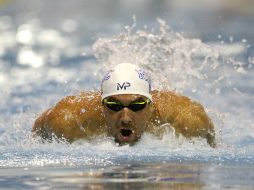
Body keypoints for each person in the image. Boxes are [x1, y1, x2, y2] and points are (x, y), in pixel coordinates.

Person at [32, 63, 216, 147]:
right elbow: (37, 132)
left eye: (137, 106)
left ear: (151, 105)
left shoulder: (186, 118)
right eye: (114, 105)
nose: (126, 118)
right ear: (101, 105)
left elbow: (213, 146)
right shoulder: (69, 120)